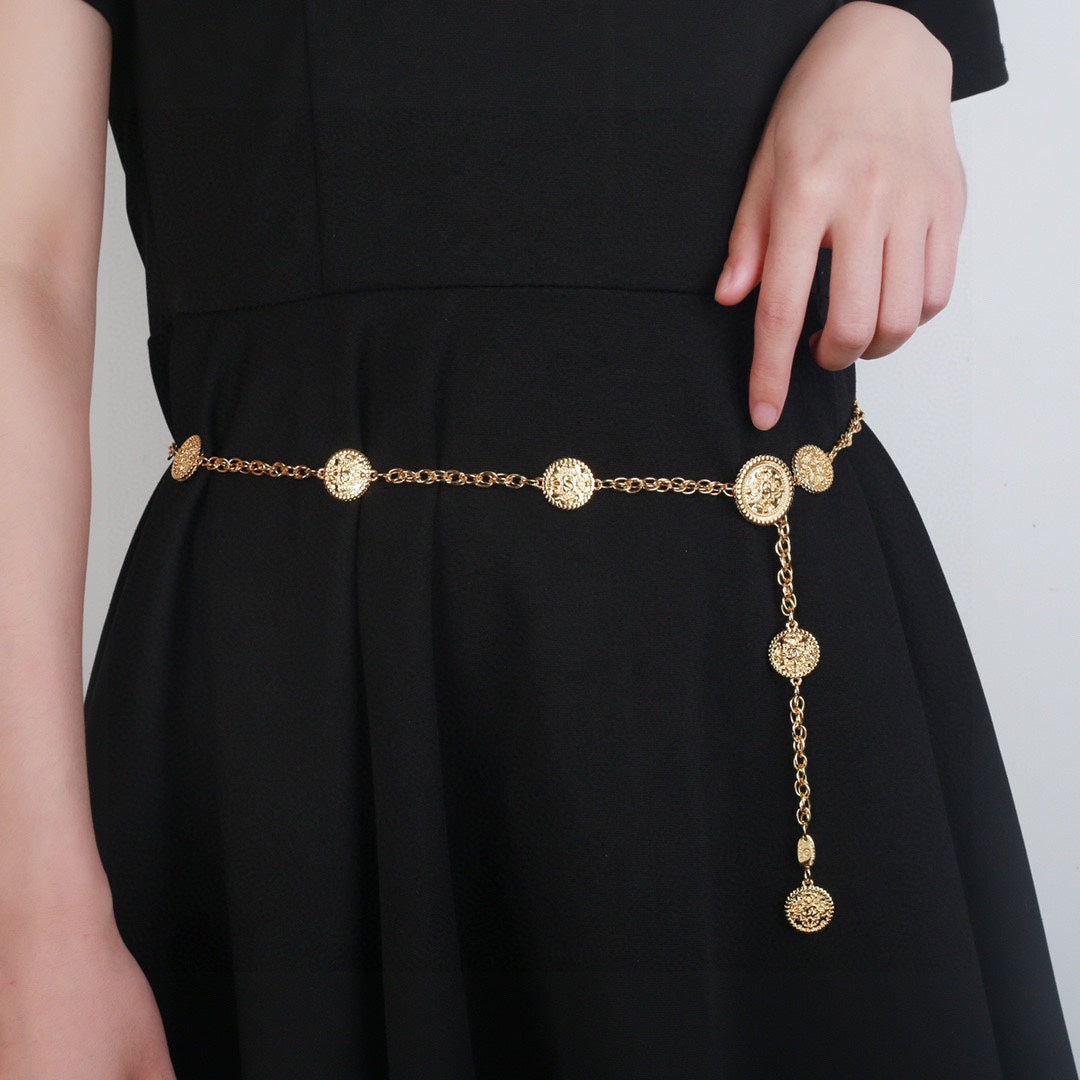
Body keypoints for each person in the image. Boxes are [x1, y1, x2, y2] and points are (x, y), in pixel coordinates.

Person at [0, 0, 1074, 1076]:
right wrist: (35, 925)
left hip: (758, 663)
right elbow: (21, 274)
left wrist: (907, 30)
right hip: (308, 712)